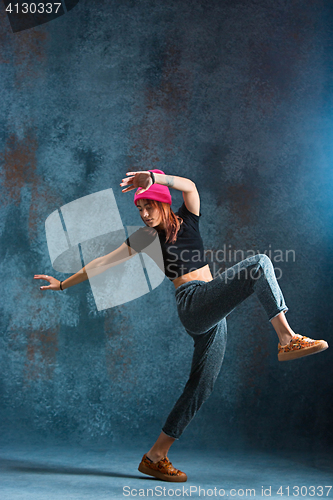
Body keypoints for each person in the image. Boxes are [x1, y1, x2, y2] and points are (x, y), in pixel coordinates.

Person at [34, 169, 329, 483]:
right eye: (139, 209)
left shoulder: (189, 218)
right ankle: (287, 338)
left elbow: (188, 186)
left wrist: (153, 177)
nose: (144, 214)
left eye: (149, 207)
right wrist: (63, 284)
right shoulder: (146, 238)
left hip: (212, 310)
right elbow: (104, 262)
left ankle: (155, 456)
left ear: (163, 203)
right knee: (259, 265)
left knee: (201, 387)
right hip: (193, 303)